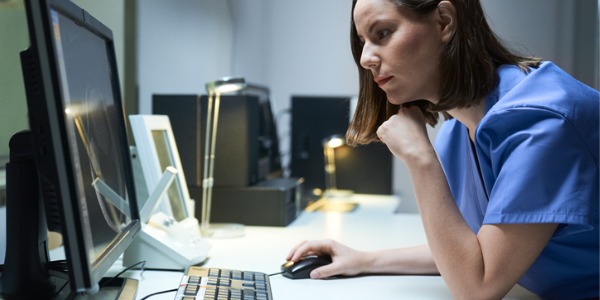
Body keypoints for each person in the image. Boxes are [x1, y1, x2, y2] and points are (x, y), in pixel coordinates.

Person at [286, 0, 600, 299]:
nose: (366, 57)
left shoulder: (540, 122)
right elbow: (472, 254)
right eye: (363, 41)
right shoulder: (455, 132)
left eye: (382, 33)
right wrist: (363, 260)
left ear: (444, 22)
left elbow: (477, 288)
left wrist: (420, 159)